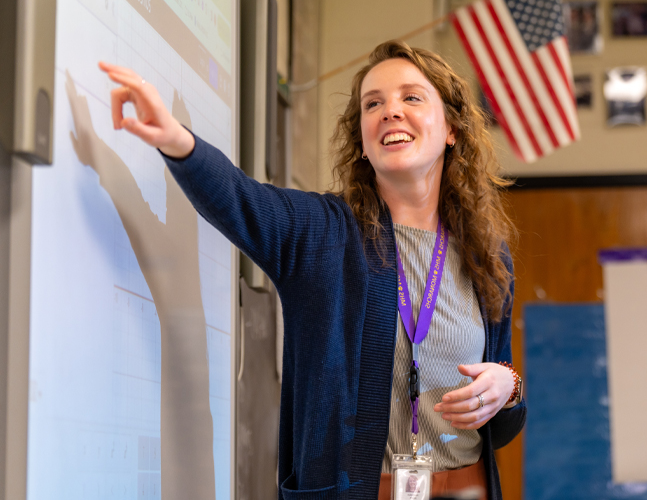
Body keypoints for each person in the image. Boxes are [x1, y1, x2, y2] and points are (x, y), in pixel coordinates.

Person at [98, 40, 526, 500]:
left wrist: (510, 387)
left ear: (452, 130)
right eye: (373, 104)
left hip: (468, 489)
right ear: (362, 142)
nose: (390, 111)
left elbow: (499, 422)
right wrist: (175, 140)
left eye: (412, 97)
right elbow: (243, 199)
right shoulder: (321, 234)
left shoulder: (487, 256)